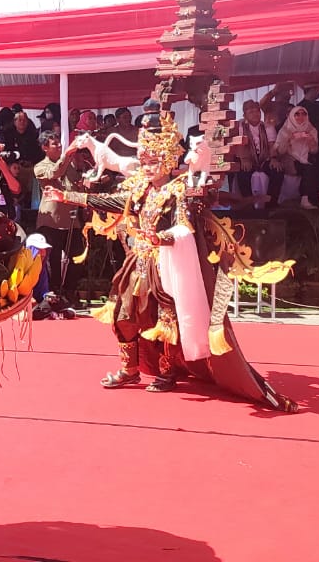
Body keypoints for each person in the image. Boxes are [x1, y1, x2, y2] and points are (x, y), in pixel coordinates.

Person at [43, 113, 296, 411]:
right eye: (144, 161)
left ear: (165, 161)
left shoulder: (178, 192)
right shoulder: (138, 189)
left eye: (152, 161)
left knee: (166, 320)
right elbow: (112, 203)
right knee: (123, 314)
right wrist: (67, 196)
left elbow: (184, 227)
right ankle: (130, 368)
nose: (146, 167)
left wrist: (161, 239)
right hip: (137, 263)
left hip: (164, 264)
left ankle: (166, 371)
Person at [34, 131, 84, 303]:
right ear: (45, 148)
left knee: (77, 257)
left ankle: (70, 289)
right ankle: (54, 292)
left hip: (71, 220)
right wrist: (68, 154)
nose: (59, 146)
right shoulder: (40, 166)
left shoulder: (70, 167)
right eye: (54, 144)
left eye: (59, 143)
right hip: (51, 220)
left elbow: (77, 187)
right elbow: (55, 172)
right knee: (52, 260)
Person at [273, 106, 319, 209]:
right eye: (297, 114)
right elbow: (280, 151)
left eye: (303, 114)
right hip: (289, 159)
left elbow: (314, 151)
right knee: (306, 168)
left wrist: (311, 141)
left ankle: (306, 199)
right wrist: (288, 139)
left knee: (311, 168)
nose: (301, 116)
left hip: (306, 159)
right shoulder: (285, 130)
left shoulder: (311, 129)